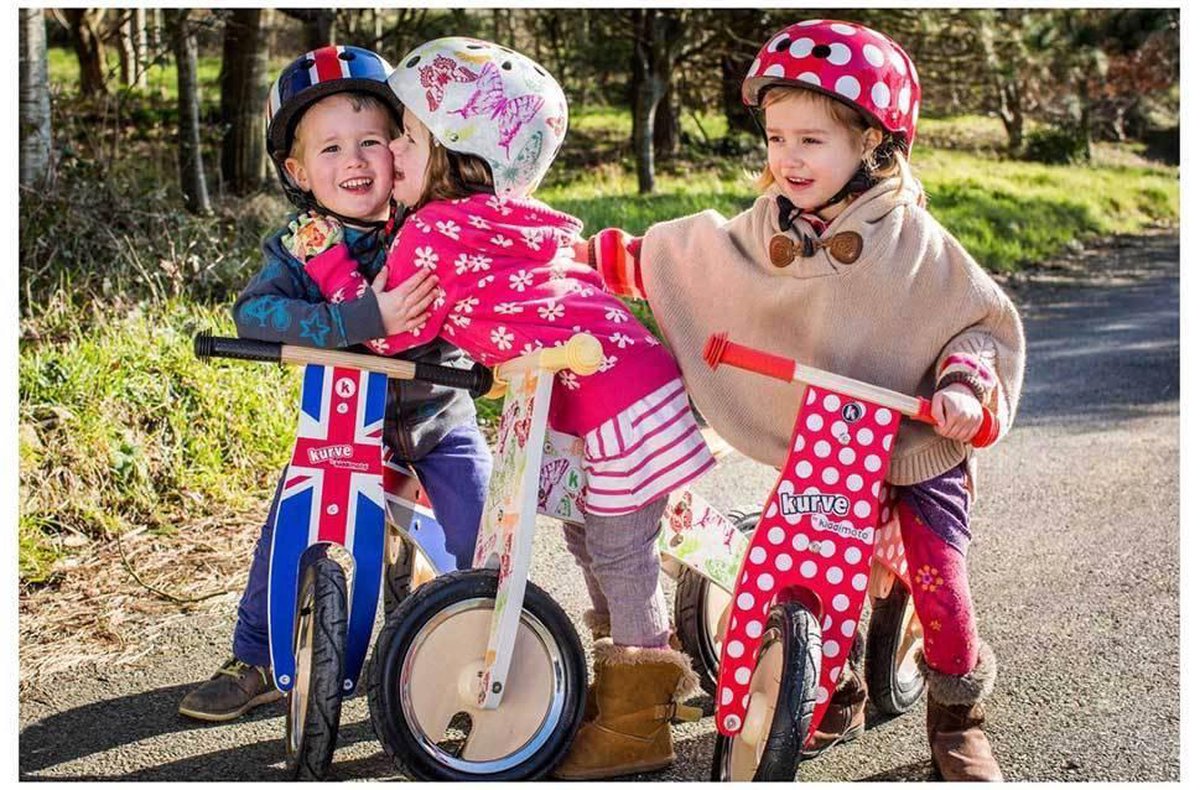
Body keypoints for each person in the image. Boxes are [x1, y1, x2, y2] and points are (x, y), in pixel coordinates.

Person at [581, 19, 1025, 781]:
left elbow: (978, 324)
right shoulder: (771, 226)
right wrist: (580, 259)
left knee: (938, 581)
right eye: (776, 137)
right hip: (834, 440)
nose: (787, 158)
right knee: (811, 558)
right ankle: (836, 688)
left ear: (871, 142)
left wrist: (963, 386)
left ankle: (958, 719)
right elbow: (693, 258)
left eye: (811, 141)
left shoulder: (911, 239)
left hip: (917, 442)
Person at [290, 37, 713, 779]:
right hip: (611, 384)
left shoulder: (431, 230)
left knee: (619, 548)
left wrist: (328, 263)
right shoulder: (499, 214)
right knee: (594, 536)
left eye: (407, 137)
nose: (392, 149)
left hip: (608, 396)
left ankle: (638, 721)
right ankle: (634, 673)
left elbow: (389, 330)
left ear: (459, 153)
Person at [177, 45, 493, 723]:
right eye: (330, 148)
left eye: (371, 141)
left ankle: (487, 648)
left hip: (439, 420)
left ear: (403, 147)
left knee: (486, 526)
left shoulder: (430, 222)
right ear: (297, 171)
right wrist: (359, 318)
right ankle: (256, 654)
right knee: (289, 527)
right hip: (344, 425)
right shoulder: (304, 243)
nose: (354, 161)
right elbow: (255, 315)